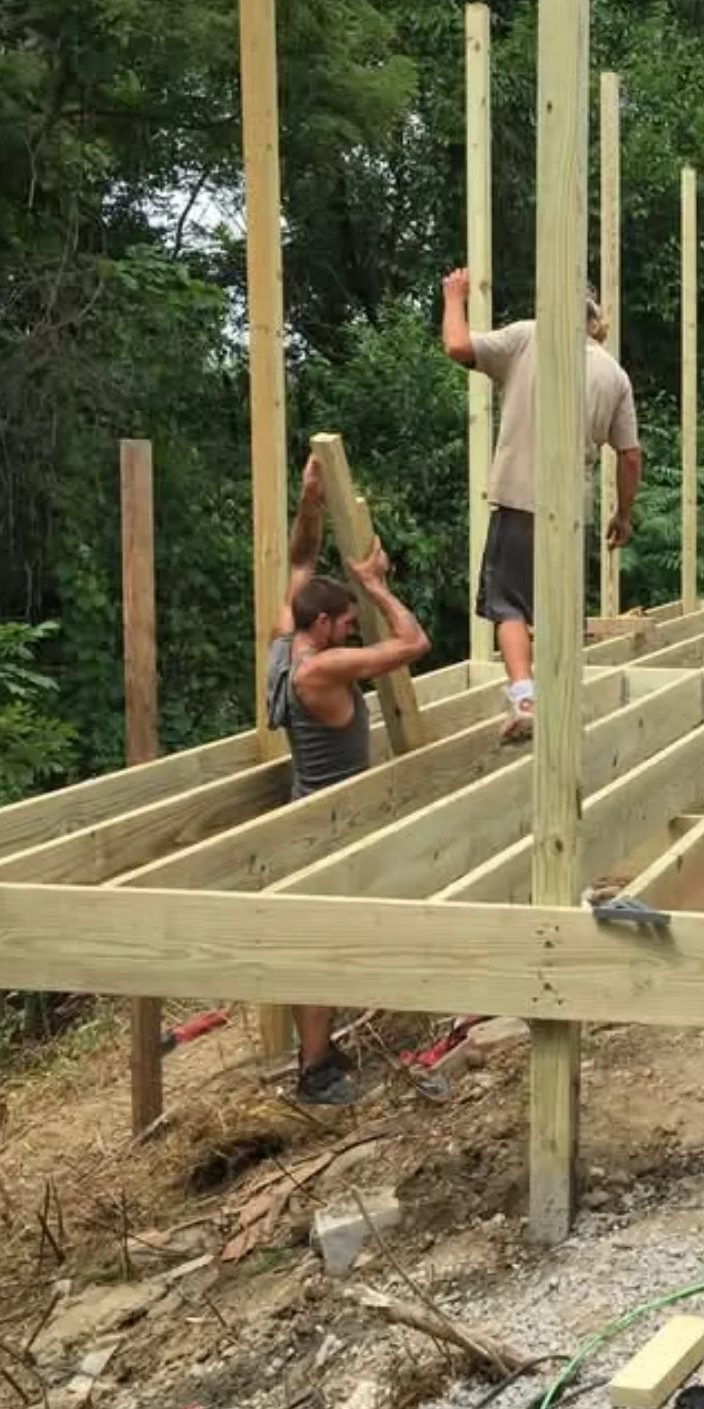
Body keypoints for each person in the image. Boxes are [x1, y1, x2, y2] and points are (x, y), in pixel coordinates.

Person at [265, 453, 431, 1104]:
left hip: (310, 805)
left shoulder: (286, 646)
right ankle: (317, 1070)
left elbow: (301, 564)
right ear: (323, 626)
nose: (349, 628)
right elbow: (412, 643)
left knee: (322, 934)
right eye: (346, 622)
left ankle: (322, 1052)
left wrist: (310, 500)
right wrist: (377, 583)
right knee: (320, 942)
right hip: (328, 818)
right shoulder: (319, 672)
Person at [441, 266, 642, 738]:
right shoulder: (613, 373)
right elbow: (630, 456)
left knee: (508, 603)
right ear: (594, 320)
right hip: (572, 512)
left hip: (517, 498)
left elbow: (457, 346)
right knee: (558, 610)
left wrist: (454, 297)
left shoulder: (527, 338)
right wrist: (623, 514)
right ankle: (562, 698)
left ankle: (525, 696)